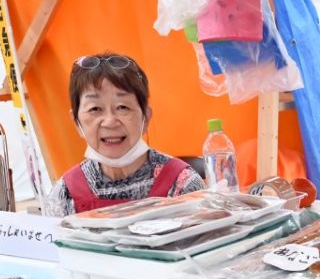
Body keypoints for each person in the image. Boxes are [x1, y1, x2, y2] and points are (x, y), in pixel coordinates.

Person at [44, 53, 206, 216]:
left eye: (122, 107)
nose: (110, 121)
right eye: (95, 109)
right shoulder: (65, 194)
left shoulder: (183, 184)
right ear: (76, 122)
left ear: (146, 117)